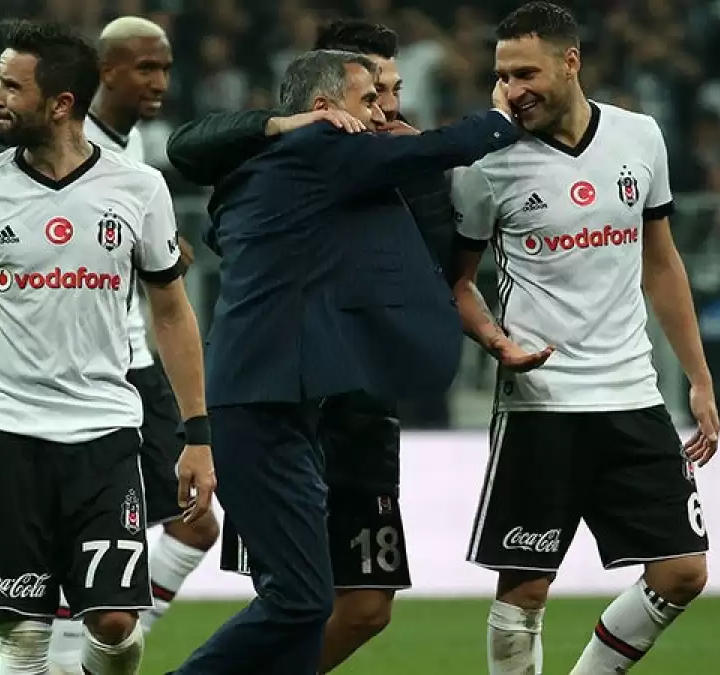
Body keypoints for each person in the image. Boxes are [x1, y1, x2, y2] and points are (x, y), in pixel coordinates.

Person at [165, 19, 549, 674]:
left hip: (314, 398)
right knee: (297, 599)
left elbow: (441, 273)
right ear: (324, 107)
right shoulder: (318, 151)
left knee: (318, 601)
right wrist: (499, 118)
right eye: (371, 95)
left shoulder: (332, 168)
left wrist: (488, 335)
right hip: (267, 396)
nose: (385, 109)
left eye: (388, 92)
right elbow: (191, 147)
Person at [0, 19, 216, 675]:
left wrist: (197, 433)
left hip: (105, 431)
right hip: (6, 431)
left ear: (61, 103)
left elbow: (172, 312)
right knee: (24, 634)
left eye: (12, 87)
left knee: (116, 623)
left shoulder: (138, 188)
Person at [450, 4, 720, 674]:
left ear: (570, 62)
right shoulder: (485, 162)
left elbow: (661, 262)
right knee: (524, 591)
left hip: (632, 395)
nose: (512, 90)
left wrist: (698, 377)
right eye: (502, 76)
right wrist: (497, 344)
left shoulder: (639, 137)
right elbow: (456, 282)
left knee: (683, 570)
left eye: (526, 73)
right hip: (541, 405)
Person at [47, 17, 220, 674]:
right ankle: (75, 653)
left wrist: (162, 249)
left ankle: (96, 653)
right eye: (145, 68)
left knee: (196, 522)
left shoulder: (135, 142)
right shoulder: (71, 146)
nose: (159, 82)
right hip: (90, 372)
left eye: (165, 68)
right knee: (87, 537)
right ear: (106, 72)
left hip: (138, 363)